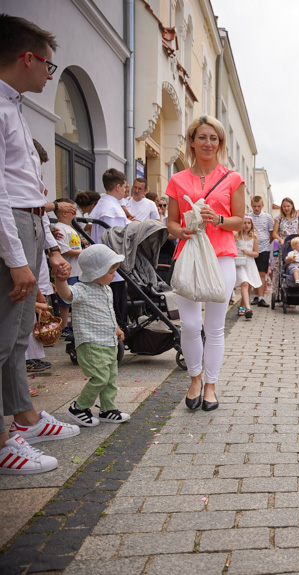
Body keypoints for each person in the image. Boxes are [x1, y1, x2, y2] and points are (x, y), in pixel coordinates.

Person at [0, 14, 80, 476]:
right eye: (49, 66)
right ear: (27, 58)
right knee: (3, 337)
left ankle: (24, 417)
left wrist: (49, 246)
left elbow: (31, 192)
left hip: (28, 223)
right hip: (11, 225)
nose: (50, 75)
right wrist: (15, 260)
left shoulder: (14, 108)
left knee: (14, 337)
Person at [166, 115, 245, 413]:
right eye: (202, 137)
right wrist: (180, 230)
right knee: (188, 324)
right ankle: (195, 379)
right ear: (191, 141)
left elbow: (240, 221)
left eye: (214, 138)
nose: (208, 143)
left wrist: (220, 220)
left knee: (214, 326)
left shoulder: (233, 178)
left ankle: (211, 385)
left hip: (221, 257)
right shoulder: (177, 179)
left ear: (220, 142)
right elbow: (170, 222)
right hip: (188, 256)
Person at [56, 245, 131, 426]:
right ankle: (79, 407)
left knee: (110, 378)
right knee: (99, 378)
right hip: (91, 343)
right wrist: (61, 280)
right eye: (111, 271)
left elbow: (108, 313)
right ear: (97, 272)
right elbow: (67, 294)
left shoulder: (107, 290)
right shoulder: (82, 289)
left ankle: (108, 408)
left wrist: (116, 328)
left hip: (109, 342)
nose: (114, 275)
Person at [89, 168, 130, 325]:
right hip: (111, 265)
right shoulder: (112, 209)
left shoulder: (103, 204)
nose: (126, 191)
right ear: (118, 187)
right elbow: (116, 239)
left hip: (102, 262)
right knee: (115, 303)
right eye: (125, 187)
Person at [54, 198, 82, 335]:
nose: (75, 213)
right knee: (65, 302)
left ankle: (70, 325)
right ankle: (63, 326)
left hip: (76, 270)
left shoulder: (71, 229)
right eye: (72, 210)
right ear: (64, 213)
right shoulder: (59, 228)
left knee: (73, 300)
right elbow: (64, 250)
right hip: (67, 270)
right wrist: (83, 252)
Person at [248, 195, 274, 307]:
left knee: (261, 273)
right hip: (251, 249)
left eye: (258, 206)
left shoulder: (268, 217)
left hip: (264, 249)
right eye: (254, 206)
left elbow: (271, 233)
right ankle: (255, 296)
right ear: (251, 206)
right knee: (251, 273)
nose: (256, 208)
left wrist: (266, 243)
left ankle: (261, 298)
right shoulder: (248, 217)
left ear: (262, 205)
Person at [234, 216, 261, 319]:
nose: (246, 225)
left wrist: (248, 252)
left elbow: (256, 253)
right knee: (244, 283)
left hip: (249, 263)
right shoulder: (236, 236)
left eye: (248, 223)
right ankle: (248, 308)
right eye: (244, 223)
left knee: (248, 287)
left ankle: (241, 306)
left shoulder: (254, 237)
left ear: (251, 224)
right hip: (239, 263)